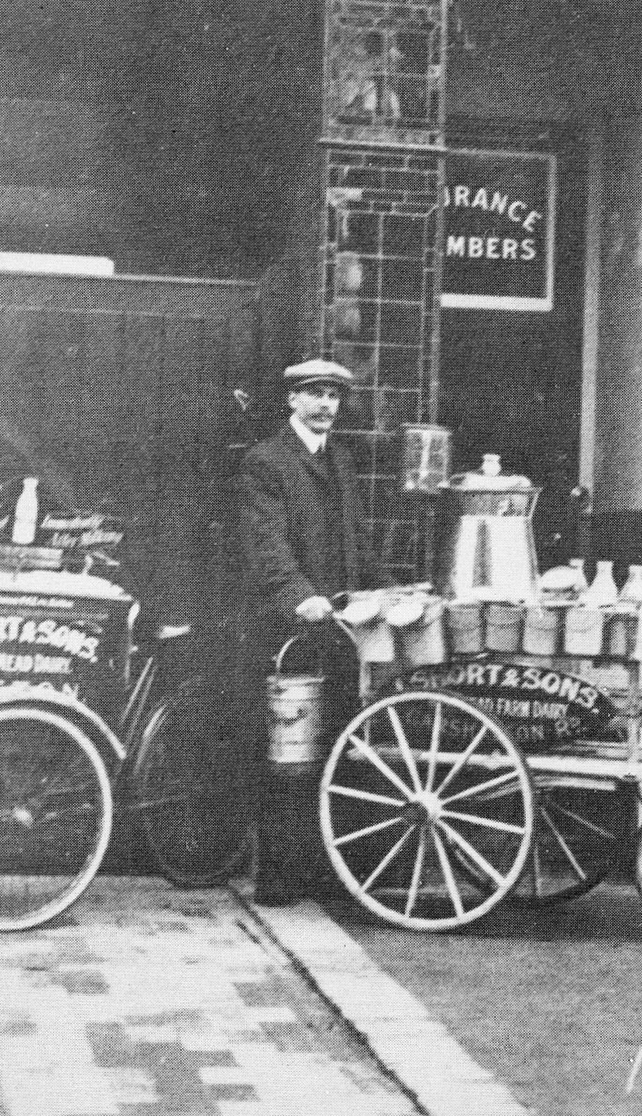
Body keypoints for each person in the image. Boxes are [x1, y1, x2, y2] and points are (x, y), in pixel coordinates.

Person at [237, 357, 383, 904]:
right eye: (315, 394)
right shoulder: (266, 462)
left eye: (333, 396)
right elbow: (266, 544)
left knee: (339, 746)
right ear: (292, 400)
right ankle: (277, 878)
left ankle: (326, 870)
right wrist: (301, 596)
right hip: (289, 628)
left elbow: (356, 541)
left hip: (340, 629)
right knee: (289, 753)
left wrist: (383, 589)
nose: (326, 405)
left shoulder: (340, 460)